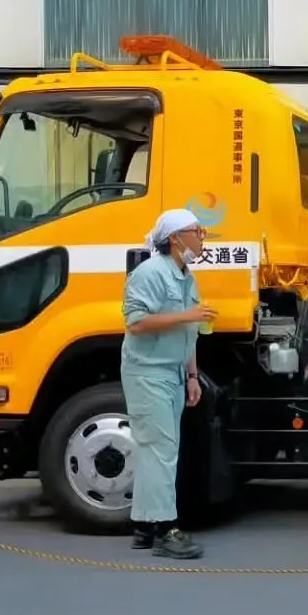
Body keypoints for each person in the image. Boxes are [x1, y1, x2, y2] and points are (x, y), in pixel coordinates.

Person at [122, 207, 215, 561]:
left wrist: (192, 375)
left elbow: (189, 332)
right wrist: (187, 315)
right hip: (148, 372)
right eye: (197, 231)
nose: (201, 238)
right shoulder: (149, 273)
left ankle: (145, 527)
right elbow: (136, 322)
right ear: (175, 238)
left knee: (155, 451)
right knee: (161, 450)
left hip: (172, 373)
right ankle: (165, 529)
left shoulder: (185, 276)